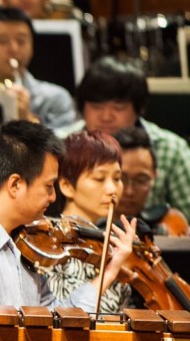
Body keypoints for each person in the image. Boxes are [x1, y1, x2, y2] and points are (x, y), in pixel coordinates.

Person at [0, 119, 135, 310]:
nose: (53, 197)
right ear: (15, 185)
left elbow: (55, 317)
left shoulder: (21, 241)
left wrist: (108, 272)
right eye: (48, 186)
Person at [58, 56, 190, 236]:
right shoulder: (60, 145)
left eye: (118, 108)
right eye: (97, 107)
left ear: (138, 110)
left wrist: (177, 246)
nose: (106, 116)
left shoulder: (170, 148)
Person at [43, 129, 132, 311]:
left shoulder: (106, 244)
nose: (112, 188)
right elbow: (65, 319)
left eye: (117, 178)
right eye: (99, 178)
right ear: (67, 186)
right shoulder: (51, 245)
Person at [0, 7, 75, 129]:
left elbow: (63, 146)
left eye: (21, 41)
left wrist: (28, 118)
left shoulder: (56, 98)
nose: (13, 48)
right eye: (3, 41)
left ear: (32, 45)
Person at [113, 124, 190, 236]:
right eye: (121, 178)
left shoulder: (166, 224)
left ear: (154, 177)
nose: (129, 191)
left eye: (140, 180)